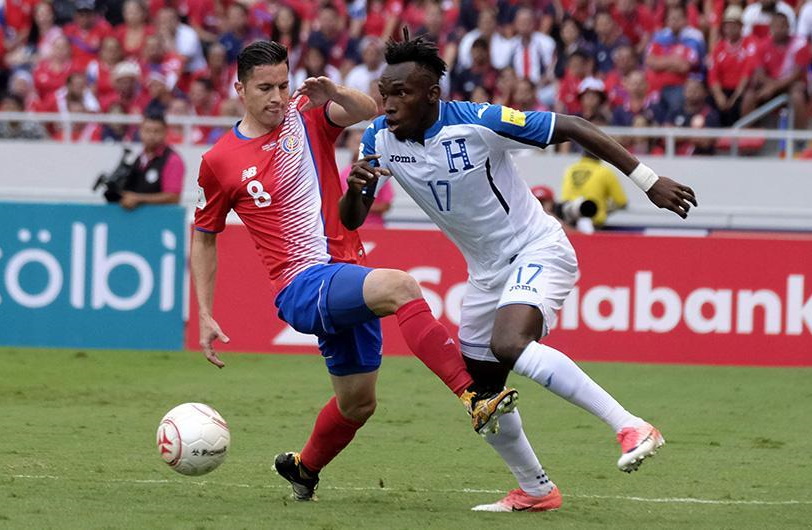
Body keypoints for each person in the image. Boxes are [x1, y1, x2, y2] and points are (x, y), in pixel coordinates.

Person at [343, 33, 697, 513]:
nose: (389, 103)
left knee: (508, 342)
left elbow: (571, 124)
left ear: (431, 95)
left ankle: (631, 425)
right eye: (385, 93)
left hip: (538, 248)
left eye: (402, 93)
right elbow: (352, 219)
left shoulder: (479, 121)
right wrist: (354, 189)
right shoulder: (378, 140)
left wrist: (648, 182)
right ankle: (536, 490)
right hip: (486, 274)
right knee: (482, 397)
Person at [190, 40, 517, 503]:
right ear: (239, 87)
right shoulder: (220, 161)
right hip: (302, 285)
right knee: (402, 286)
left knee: (358, 403)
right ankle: (474, 397)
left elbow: (367, 111)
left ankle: (303, 469)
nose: (277, 97)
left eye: (283, 84)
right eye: (265, 88)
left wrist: (335, 92)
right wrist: (204, 311)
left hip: (345, 272)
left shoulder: (304, 117)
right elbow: (204, 234)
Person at [118, 112, 184, 209]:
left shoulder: (172, 160)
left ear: (165, 132)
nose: (152, 135)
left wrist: (138, 199)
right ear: (140, 131)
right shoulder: (138, 158)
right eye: (147, 130)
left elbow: (173, 197)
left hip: (161, 220)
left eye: (157, 131)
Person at [561, 150, 628, 229]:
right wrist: (603, 210)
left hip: (569, 221)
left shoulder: (570, 169)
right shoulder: (605, 172)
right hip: (594, 224)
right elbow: (622, 202)